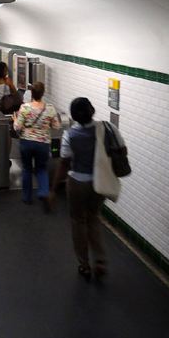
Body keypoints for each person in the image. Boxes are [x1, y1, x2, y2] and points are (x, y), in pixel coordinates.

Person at [51, 97, 125, 280]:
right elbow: (122, 150)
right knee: (93, 218)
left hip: (77, 183)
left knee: (78, 222)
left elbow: (64, 163)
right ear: (92, 110)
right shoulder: (108, 128)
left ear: (74, 116)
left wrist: (53, 188)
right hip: (100, 183)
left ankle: (84, 264)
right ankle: (100, 259)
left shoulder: (70, 135)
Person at [13, 82, 60, 210]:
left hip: (26, 142)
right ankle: (44, 192)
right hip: (43, 143)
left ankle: (27, 197)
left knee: (27, 169)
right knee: (41, 169)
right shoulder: (50, 108)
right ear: (43, 93)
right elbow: (56, 126)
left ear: (32, 93)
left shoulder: (25, 107)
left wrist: (15, 120)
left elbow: (17, 127)